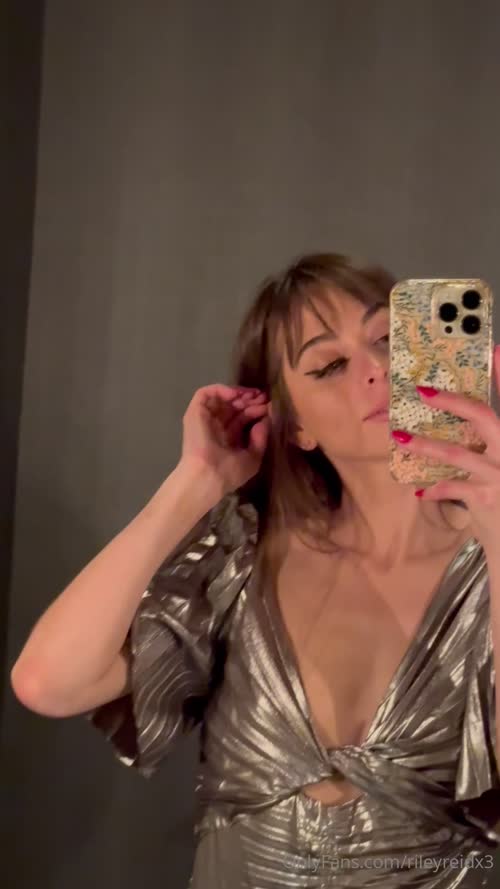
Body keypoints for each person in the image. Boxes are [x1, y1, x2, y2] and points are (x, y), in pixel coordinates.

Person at [11, 253, 500, 887]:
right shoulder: (243, 555)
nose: (377, 369)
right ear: (296, 428)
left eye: (389, 339)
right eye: (329, 365)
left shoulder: (491, 563)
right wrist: (195, 481)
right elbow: (48, 681)